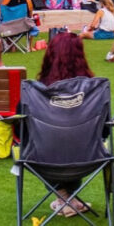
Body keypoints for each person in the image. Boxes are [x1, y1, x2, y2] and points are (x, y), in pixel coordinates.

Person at [35, 32, 96, 216]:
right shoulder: (95, 91)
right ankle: (68, 199)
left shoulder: (35, 92)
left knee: (42, 143)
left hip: (44, 158)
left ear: (50, 55)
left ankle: (64, 198)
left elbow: (21, 130)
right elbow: (103, 131)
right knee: (70, 142)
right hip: (87, 156)